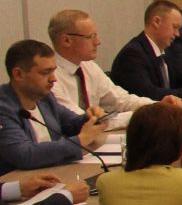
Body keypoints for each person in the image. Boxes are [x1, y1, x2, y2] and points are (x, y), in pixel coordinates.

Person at [47, 9, 182, 118]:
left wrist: (157, 106)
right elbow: (81, 120)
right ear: (66, 41)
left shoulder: (88, 67)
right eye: (90, 37)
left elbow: (121, 100)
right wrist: (137, 117)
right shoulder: (50, 78)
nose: (98, 42)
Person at [0, 39, 108, 171]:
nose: (53, 79)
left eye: (53, 71)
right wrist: (81, 140)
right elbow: (24, 155)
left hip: (53, 171)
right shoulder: (3, 108)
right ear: (18, 74)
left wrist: (90, 118)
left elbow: (70, 124)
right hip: (20, 180)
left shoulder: (45, 98)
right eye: (45, 72)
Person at [109, 0, 182, 103]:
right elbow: (151, 94)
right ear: (157, 22)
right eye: (175, 27)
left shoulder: (166, 48)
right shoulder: (132, 55)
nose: (177, 34)